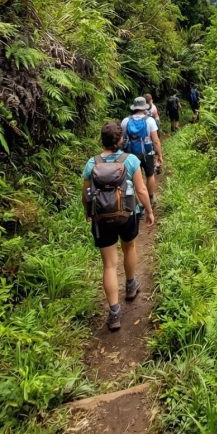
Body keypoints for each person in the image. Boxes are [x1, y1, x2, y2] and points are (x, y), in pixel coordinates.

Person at [82, 120, 154, 331]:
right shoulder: (130, 160)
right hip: (127, 214)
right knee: (129, 246)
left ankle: (114, 313)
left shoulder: (91, 163)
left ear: (102, 141)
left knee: (109, 265)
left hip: (102, 218)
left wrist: (89, 213)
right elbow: (141, 191)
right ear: (121, 140)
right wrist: (149, 211)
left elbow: (86, 194)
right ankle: (131, 285)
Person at [121, 96, 163, 204]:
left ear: (134, 108)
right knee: (150, 175)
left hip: (130, 154)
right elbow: (156, 141)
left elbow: (122, 140)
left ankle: (138, 202)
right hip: (147, 153)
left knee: (132, 179)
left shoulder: (125, 121)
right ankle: (151, 197)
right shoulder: (150, 121)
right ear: (144, 108)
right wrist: (159, 155)